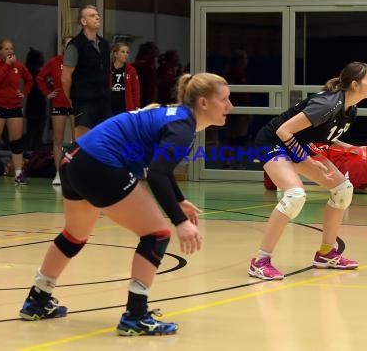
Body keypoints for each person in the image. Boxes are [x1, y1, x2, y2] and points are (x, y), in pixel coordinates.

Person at [19, 72, 233, 336]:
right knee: (157, 234)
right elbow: (157, 174)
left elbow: (160, 168)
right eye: (224, 100)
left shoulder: (176, 116)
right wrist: (179, 221)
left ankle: (37, 299)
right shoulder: (182, 127)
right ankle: (136, 315)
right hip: (100, 164)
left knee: (74, 236)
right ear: (203, 102)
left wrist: (179, 200)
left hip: (74, 160)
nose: (229, 106)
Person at [248, 61, 367, 280]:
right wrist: (306, 161)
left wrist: (355, 150)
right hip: (273, 142)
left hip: (297, 145)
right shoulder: (326, 104)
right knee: (295, 195)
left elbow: (326, 136)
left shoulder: (350, 109)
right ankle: (260, 261)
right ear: (355, 85)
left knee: (342, 190)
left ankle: (326, 253)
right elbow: (283, 131)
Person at [0, 39, 33, 185]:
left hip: (14, 106)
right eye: (6, 49)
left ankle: (18, 174)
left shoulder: (18, 66)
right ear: (0, 51)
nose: (10, 51)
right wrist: (7, 65)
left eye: (11, 48)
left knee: (16, 142)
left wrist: (23, 92)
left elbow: (30, 80)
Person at [62, 5, 111, 140]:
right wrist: (71, 99)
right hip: (84, 101)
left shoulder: (104, 44)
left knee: (106, 140)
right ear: (84, 22)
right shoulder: (75, 45)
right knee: (83, 144)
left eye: (97, 15)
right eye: (92, 15)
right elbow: (65, 78)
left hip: (104, 100)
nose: (97, 17)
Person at [36, 35, 74, 186]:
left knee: (78, 141)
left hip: (75, 104)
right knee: (58, 140)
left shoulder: (79, 62)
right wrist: (48, 93)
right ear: (63, 47)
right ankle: (58, 173)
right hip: (58, 104)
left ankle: (74, 174)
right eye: (68, 44)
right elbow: (40, 78)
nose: (70, 47)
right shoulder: (54, 62)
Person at [24, 48, 46, 152]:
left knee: (30, 135)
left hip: (31, 106)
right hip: (40, 107)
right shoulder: (40, 74)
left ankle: (28, 157)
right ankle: (36, 159)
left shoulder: (28, 73)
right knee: (37, 137)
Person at [110, 42, 140, 115]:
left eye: (127, 52)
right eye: (123, 52)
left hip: (125, 106)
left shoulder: (131, 70)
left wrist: (136, 107)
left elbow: (135, 91)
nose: (126, 54)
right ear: (115, 54)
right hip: (110, 106)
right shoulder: (108, 69)